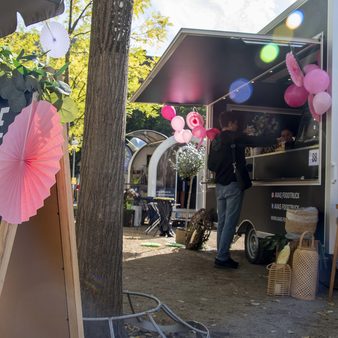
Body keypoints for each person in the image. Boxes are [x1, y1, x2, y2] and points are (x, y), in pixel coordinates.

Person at [210, 111, 277, 269]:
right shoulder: (236, 137)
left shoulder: (216, 140)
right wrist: (276, 138)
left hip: (219, 185)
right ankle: (222, 257)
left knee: (222, 222)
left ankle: (221, 253)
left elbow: (210, 165)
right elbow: (256, 141)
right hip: (233, 184)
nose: (238, 125)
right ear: (232, 123)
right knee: (230, 223)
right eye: (236, 123)